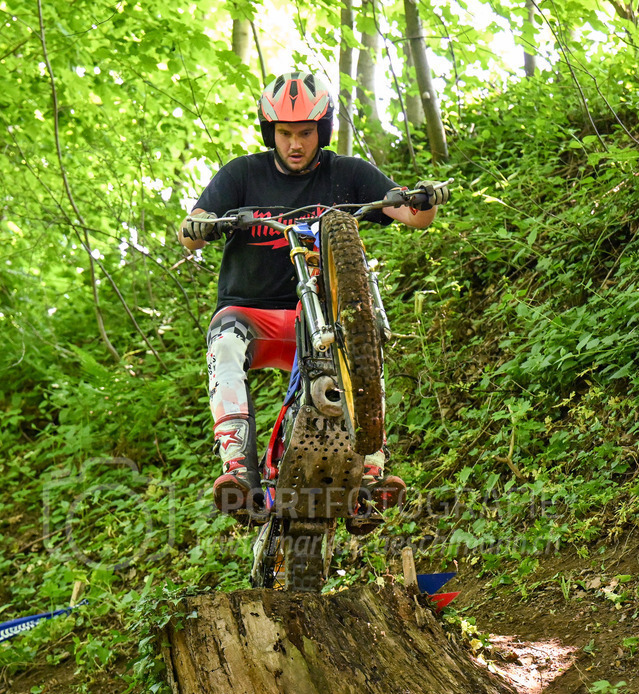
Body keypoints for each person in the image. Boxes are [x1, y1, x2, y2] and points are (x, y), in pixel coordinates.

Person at [179, 71, 449, 517]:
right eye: (285, 133)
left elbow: (413, 216)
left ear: (320, 131)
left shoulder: (347, 173)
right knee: (224, 340)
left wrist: (425, 199)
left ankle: (370, 471)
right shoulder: (243, 174)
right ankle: (238, 469)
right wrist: (199, 225)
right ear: (272, 133)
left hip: (322, 322)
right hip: (253, 317)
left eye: (305, 132)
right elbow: (194, 230)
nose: (295, 144)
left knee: (367, 343)